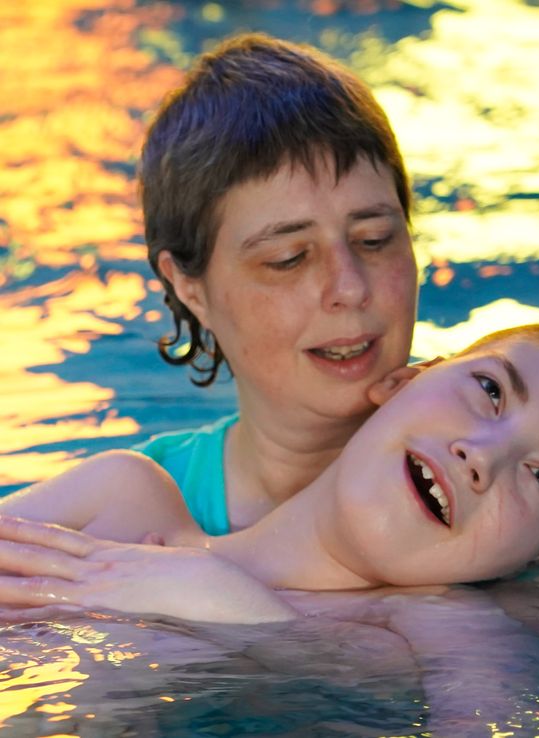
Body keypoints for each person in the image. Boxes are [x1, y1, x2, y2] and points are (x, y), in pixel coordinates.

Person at [0, 324, 539, 622]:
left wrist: (236, 611)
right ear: (403, 382)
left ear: (534, 559)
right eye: (490, 390)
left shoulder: (442, 636)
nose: (483, 456)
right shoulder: (121, 496)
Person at [131, 32, 418, 534]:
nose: (349, 287)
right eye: (288, 259)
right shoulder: (125, 511)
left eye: (374, 240)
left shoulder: (505, 480)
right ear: (189, 287)